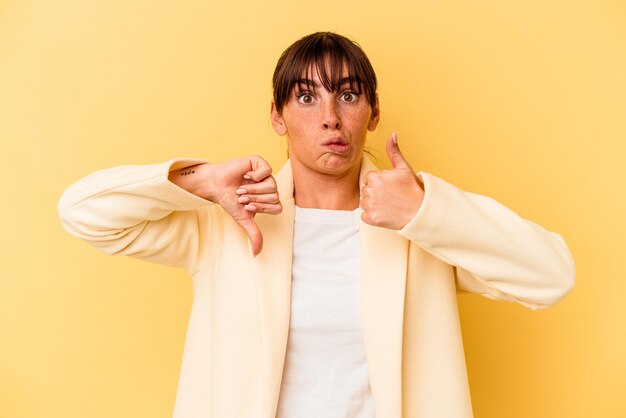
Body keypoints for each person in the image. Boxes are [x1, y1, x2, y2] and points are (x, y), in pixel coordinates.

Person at [58, 32, 575, 418]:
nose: (330, 117)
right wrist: (203, 180)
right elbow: (82, 212)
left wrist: (424, 208)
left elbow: (552, 276)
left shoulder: (422, 229)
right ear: (278, 116)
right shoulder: (226, 224)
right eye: (307, 97)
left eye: (348, 95)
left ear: (372, 113)